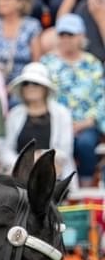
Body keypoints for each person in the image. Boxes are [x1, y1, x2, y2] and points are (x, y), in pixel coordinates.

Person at [40, 13, 105, 184]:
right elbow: (42, 94)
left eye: (71, 34)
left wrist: (87, 122)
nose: (66, 39)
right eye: (62, 34)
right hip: (52, 121)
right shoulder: (47, 62)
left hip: (85, 124)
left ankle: (85, 186)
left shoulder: (93, 64)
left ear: (81, 36)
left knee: (85, 144)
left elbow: (101, 96)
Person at [0, 61, 76, 178]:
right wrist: (24, 163)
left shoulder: (61, 113)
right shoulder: (14, 114)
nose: (30, 87)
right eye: (26, 83)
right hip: (19, 176)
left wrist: (41, 157)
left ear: (45, 88)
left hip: (54, 175)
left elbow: (65, 150)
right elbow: (5, 149)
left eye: (35, 83)